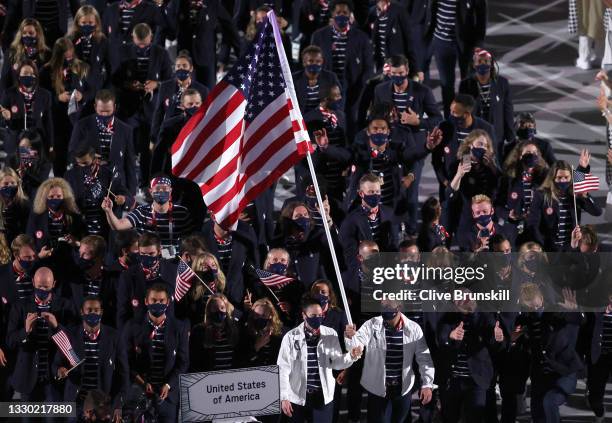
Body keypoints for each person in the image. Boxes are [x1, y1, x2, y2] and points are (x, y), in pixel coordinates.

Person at [344, 299, 435, 423]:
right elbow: (357, 345)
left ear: (399, 306)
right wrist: (351, 338)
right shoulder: (371, 324)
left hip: (403, 388)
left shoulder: (414, 328)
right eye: (383, 305)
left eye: (388, 305)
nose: (385, 308)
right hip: (378, 389)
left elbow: (424, 358)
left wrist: (427, 384)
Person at [277, 294, 362, 423]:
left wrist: (351, 356)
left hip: (322, 397)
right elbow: (282, 369)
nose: (317, 319)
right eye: (313, 316)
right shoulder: (290, 337)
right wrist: (284, 397)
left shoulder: (330, 333)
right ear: (304, 315)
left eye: (320, 315)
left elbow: (336, 363)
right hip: (297, 397)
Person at [112, 23, 172, 188]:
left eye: (145, 44)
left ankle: (146, 185)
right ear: (133, 37)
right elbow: (114, 79)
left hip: (151, 110)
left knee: (147, 151)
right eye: (139, 45)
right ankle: (126, 186)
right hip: (127, 109)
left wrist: (156, 84)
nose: (142, 48)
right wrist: (129, 85)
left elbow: (169, 81)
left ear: (151, 38)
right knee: (126, 149)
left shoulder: (161, 53)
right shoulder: (122, 51)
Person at [6, 267, 77, 403]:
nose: (42, 290)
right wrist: (25, 331)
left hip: (53, 378)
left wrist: (57, 326)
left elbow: (74, 343)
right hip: (26, 377)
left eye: (46, 287)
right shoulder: (20, 307)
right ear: (32, 282)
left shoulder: (66, 306)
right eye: (39, 286)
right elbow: (10, 341)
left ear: (54, 284)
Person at [120, 283, 189, 423]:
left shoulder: (179, 327)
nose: (158, 304)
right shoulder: (132, 326)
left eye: (162, 301)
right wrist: (142, 382)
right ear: (146, 301)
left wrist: (169, 384)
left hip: (167, 396)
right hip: (139, 393)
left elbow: (183, 362)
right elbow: (125, 361)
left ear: (168, 302)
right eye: (154, 300)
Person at [52, 296, 126, 423]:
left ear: (101, 312)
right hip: (76, 403)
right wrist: (60, 370)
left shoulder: (114, 336)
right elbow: (56, 364)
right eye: (89, 310)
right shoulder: (70, 335)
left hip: (102, 405)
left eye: (96, 310)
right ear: (82, 312)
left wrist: (118, 404)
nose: (93, 313)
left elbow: (123, 373)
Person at [311, 0, 374, 136]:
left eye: (345, 12)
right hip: (327, 88)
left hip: (353, 89)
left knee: (351, 123)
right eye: (338, 12)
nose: (341, 15)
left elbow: (369, 67)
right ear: (332, 13)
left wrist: (361, 87)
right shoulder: (319, 36)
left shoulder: (362, 38)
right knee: (328, 124)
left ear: (350, 14)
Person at [102, 175, 193, 257]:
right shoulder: (142, 211)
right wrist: (109, 211)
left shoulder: (181, 212)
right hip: (147, 258)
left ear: (170, 191)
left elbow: (190, 241)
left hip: (173, 260)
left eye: (165, 189)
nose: (161, 192)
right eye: (157, 189)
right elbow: (118, 226)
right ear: (150, 191)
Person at [68, 89, 137, 197]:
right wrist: (87, 157)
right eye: (101, 111)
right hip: (89, 185)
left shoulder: (126, 130)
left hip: (116, 187)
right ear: (95, 107)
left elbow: (130, 163)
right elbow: (72, 152)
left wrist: (131, 194)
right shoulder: (81, 126)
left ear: (114, 107)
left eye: (108, 111)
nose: (104, 115)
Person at [526, 156, 602, 251]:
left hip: (570, 249)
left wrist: (585, 196)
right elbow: (533, 224)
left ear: (571, 178)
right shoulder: (541, 195)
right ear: (553, 178)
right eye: (559, 178)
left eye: (566, 177)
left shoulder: (575, 194)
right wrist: (540, 245)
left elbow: (597, 212)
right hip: (549, 248)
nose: (563, 181)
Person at [427, 0, 487, 115]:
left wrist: (479, 44)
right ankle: (450, 118)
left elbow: (481, 16)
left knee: (468, 82)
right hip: (442, 42)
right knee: (446, 84)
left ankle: (468, 117)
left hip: (466, 43)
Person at [430, 94, 496, 201]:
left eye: (454, 112)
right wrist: (445, 182)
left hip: (477, 191)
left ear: (466, 114)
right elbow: (436, 159)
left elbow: (492, 159)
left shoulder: (486, 129)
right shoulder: (444, 128)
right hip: (451, 188)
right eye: (450, 110)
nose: (450, 114)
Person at [165, 0, 241, 89]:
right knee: (185, 95)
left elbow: (230, 27)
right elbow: (165, 28)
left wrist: (240, 53)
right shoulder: (176, 3)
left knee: (208, 96)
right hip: (184, 59)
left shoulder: (213, 3)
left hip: (206, 58)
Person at [458, 48, 515, 162]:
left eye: (486, 61)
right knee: (471, 166)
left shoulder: (502, 83)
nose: (483, 64)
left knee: (495, 165)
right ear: (474, 64)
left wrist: (510, 134)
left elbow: (507, 109)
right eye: (479, 61)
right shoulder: (465, 84)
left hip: (496, 134)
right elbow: (462, 110)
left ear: (492, 64)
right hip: (473, 133)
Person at [116, 233, 176, 326]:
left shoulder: (173, 271)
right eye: (143, 254)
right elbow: (122, 313)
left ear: (159, 250)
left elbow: (182, 306)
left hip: (168, 331)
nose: (147, 257)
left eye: (151, 254)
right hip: (139, 333)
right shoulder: (128, 276)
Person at [150, 50, 208, 143]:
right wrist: (154, 138)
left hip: (193, 135)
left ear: (191, 68)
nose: (181, 68)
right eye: (178, 66)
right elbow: (159, 113)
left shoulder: (202, 90)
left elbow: (206, 115)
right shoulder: (165, 86)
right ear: (174, 68)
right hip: (170, 136)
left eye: (184, 66)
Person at [0, 60, 54, 158]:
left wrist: (50, 144)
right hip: (14, 141)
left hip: (36, 141)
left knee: (33, 170)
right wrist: (7, 117)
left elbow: (48, 122)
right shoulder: (8, 94)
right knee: (15, 171)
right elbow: (2, 118)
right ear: (19, 76)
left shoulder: (45, 95)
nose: (28, 76)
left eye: (31, 74)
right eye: (25, 73)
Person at [26, 177, 85, 257]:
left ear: (64, 197)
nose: (55, 199)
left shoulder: (75, 217)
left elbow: (83, 244)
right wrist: (39, 256)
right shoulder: (36, 217)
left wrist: (76, 243)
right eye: (51, 197)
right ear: (44, 198)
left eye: (58, 196)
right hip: (43, 263)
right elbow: (29, 243)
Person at [189, 293, 242, 372]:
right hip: (211, 380)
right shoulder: (199, 331)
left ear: (226, 309)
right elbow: (195, 359)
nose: (219, 311)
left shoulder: (236, 328)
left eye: (222, 307)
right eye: (215, 308)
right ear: (209, 310)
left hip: (233, 378)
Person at [174, 252, 227, 326]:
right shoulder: (189, 290)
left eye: (213, 265)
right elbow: (181, 315)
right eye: (205, 267)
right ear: (197, 269)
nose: (211, 269)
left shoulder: (223, 287)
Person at [366, 0, 418, 75]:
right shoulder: (373, 13)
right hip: (381, 64)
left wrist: (415, 69)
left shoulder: (399, 10)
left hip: (397, 65)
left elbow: (409, 40)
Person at [0, 18, 51, 92]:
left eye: (31, 33)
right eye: (24, 33)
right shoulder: (11, 53)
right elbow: (4, 82)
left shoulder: (47, 54)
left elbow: (49, 82)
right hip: (16, 99)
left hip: (39, 98)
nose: (27, 35)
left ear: (38, 34)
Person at [293, 45, 341, 114]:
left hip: (324, 116)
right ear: (304, 62)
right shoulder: (294, 79)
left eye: (318, 61)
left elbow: (338, 97)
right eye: (311, 61)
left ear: (322, 62)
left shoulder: (330, 77)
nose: (314, 64)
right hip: (301, 118)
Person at [0, 167, 30, 246]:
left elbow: (27, 231)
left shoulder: (25, 205)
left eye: (13, 183)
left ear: (17, 184)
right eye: (6, 184)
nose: (9, 186)